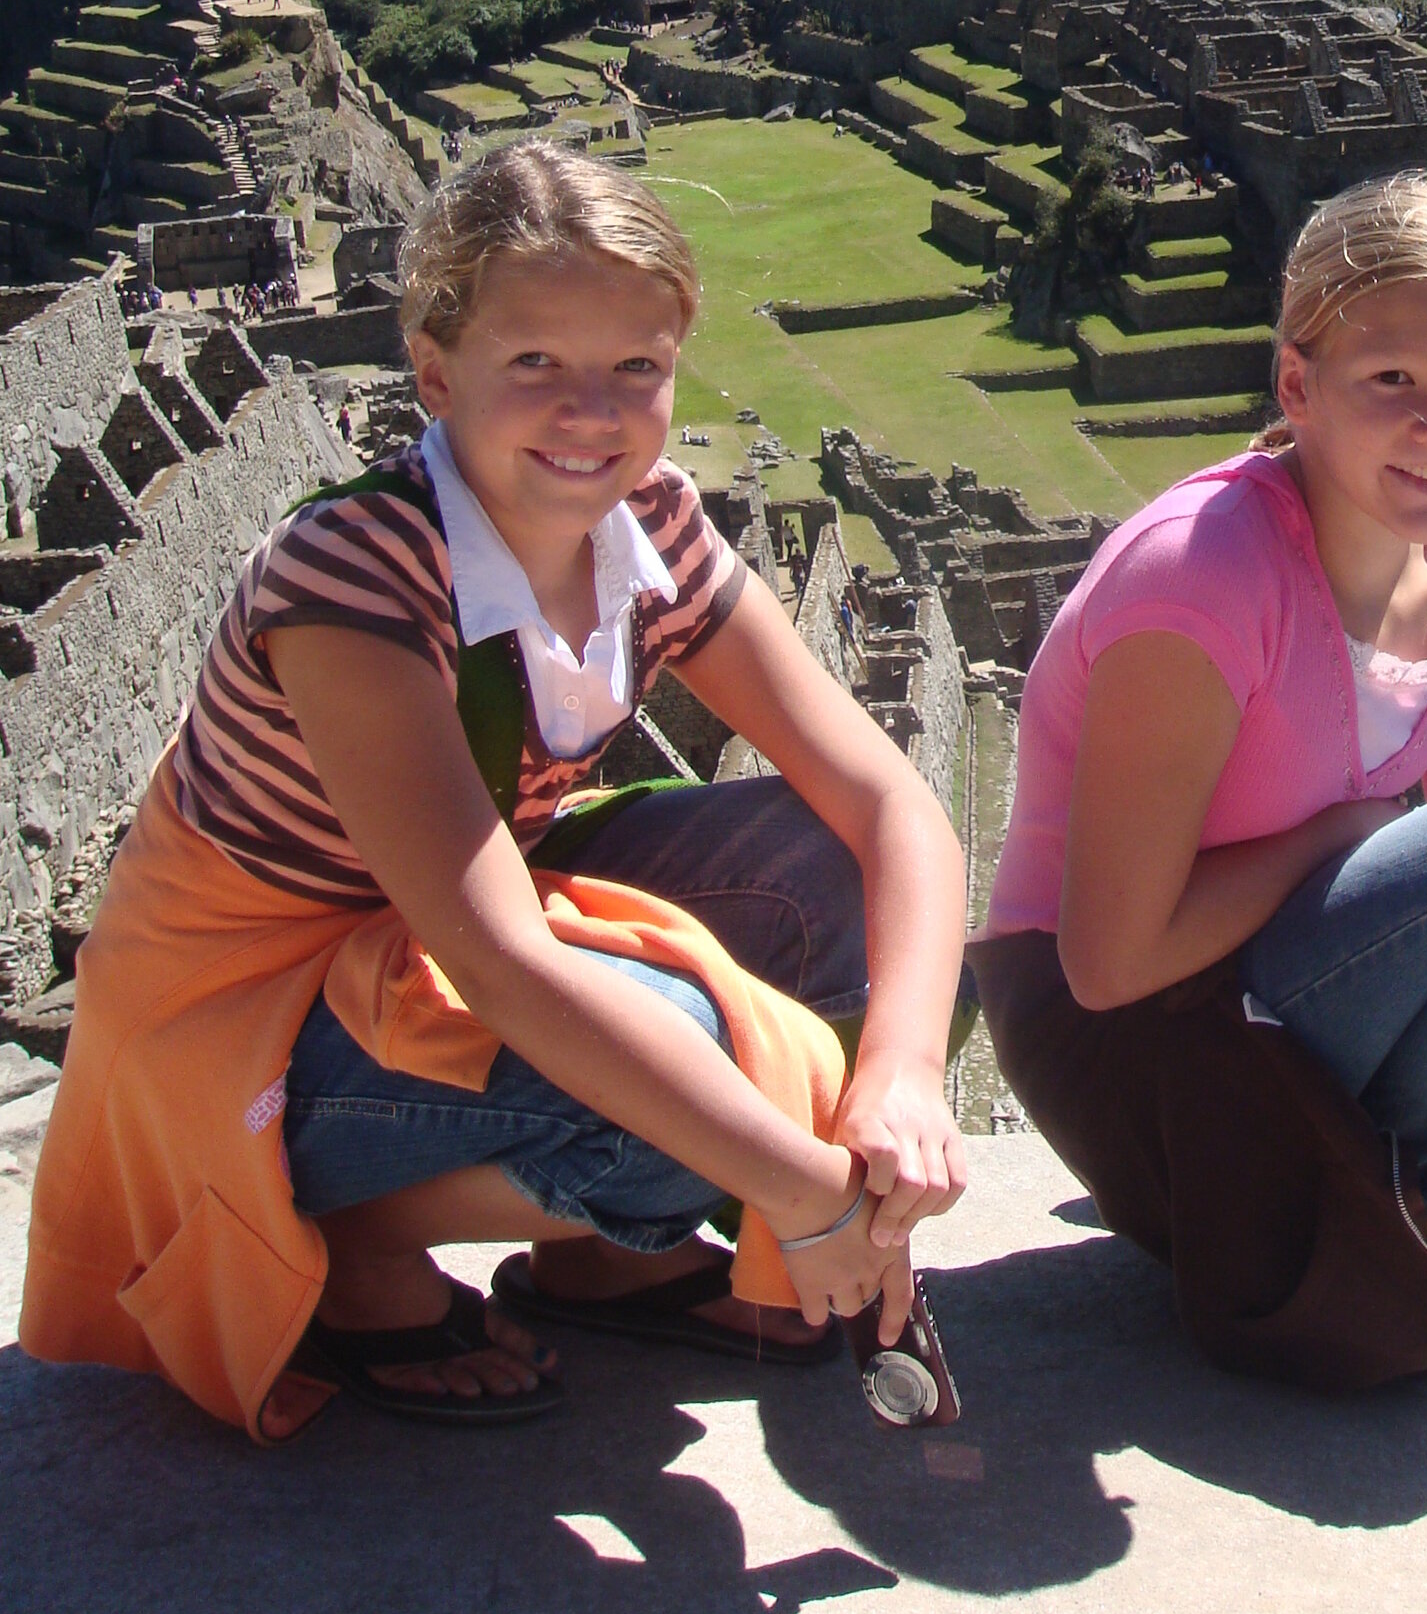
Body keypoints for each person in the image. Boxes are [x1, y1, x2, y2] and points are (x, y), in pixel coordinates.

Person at [24, 142, 968, 1439]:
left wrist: (903, 1075)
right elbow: (510, 966)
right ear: (435, 372)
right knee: (683, 1083)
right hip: (244, 1011)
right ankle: (345, 1244)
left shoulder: (656, 531)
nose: (592, 411)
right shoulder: (355, 583)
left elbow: (888, 804)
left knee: (855, 899)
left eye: (634, 366)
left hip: (428, 943)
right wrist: (805, 1193)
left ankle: (602, 1258)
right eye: (536, 364)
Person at [975, 171, 1427, 1402]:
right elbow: (1107, 964)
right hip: (1139, 1047)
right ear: (1296, 385)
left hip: (1314, 986)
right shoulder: (1200, 579)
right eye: (1392, 383)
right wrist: (1338, 832)